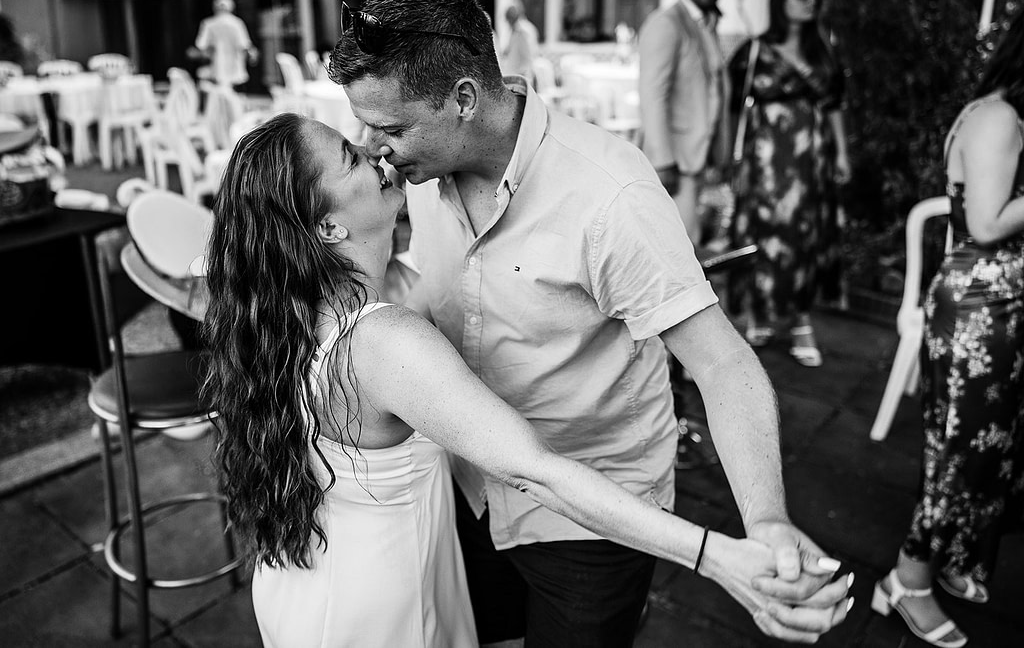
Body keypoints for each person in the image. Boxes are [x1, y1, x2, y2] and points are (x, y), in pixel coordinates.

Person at [328, 0, 850, 647]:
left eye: (390, 128)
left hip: (594, 521)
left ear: (463, 99)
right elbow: (431, 282)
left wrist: (766, 520)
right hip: (470, 487)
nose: (373, 147)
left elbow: (722, 362)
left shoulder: (610, 194)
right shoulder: (420, 171)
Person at [204, 113, 851, 647]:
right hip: (380, 608)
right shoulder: (385, 340)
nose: (375, 150)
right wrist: (718, 556)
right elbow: (535, 469)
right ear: (327, 227)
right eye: (351, 155)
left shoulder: (281, 313)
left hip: (308, 582)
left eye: (382, 129)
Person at [870, 7, 1024, 648]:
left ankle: (952, 554)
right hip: (981, 311)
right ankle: (906, 580)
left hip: (1002, 306)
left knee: (994, 450)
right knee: (961, 454)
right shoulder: (997, 118)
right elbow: (986, 223)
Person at [725, 0, 851, 368]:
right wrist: (733, 161)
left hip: (810, 162)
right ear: (781, 0)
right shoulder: (754, 52)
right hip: (764, 163)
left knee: (804, 238)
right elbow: (734, 110)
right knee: (760, 237)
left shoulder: (824, 50)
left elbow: (834, 104)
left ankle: (801, 321)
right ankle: (759, 313)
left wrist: (842, 153)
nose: (810, 1)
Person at [638, 0, 731, 248]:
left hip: (697, 156)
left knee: (689, 241)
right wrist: (662, 160)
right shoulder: (667, 23)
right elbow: (653, 94)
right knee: (677, 246)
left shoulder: (706, 23)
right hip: (674, 160)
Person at [193, 0, 257, 89]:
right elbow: (245, 45)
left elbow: (200, 45)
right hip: (234, 68)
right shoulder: (237, 23)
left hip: (216, 67)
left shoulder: (208, 23)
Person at [499, 0, 539, 84]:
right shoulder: (508, 30)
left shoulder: (525, 31)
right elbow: (505, 52)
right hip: (511, 74)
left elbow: (530, 55)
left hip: (522, 76)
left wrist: (524, 73)